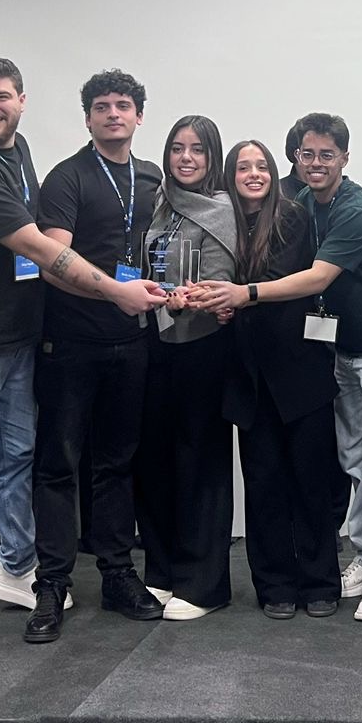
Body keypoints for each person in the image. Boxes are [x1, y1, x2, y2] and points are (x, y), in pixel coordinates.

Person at [0, 57, 164, 655]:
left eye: (2, 96)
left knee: (14, 459)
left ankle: (17, 568)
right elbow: (39, 249)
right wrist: (116, 291)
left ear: (21, 101)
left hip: (18, 337)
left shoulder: (17, 150)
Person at [193, 112, 362, 622]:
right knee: (354, 462)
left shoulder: (352, 209)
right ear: (295, 159)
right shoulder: (299, 199)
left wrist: (243, 294)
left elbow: (317, 279)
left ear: (345, 158)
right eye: (307, 154)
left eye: (327, 155)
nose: (316, 163)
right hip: (337, 351)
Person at [30, 69, 169, 639]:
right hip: (70, 342)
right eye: (103, 106)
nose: (114, 114)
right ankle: (51, 584)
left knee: (117, 463)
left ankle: (116, 575)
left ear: (139, 116)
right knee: (58, 465)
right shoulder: (67, 178)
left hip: (132, 341)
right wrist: (114, 292)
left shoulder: (152, 176)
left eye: (123, 105)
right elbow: (50, 264)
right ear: (87, 118)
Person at [215, 140, 341, 619]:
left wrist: (235, 295)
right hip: (248, 375)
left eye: (261, 166)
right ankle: (274, 586)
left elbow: (280, 279)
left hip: (300, 371)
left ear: (273, 173)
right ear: (230, 176)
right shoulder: (220, 224)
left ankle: (320, 582)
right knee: (263, 484)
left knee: (312, 481)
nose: (253, 174)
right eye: (243, 167)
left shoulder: (292, 218)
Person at [134, 115, 241, 620]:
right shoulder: (161, 203)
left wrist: (189, 299)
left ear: (212, 156)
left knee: (200, 464)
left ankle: (204, 585)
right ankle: (162, 572)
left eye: (197, 149)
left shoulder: (221, 210)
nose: (186, 158)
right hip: (156, 344)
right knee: (155, 461)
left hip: (202, 346)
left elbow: (219, 286)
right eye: (177, 148)